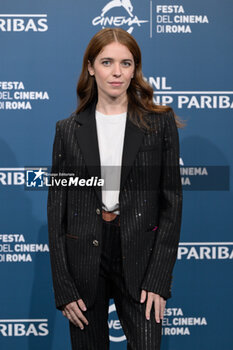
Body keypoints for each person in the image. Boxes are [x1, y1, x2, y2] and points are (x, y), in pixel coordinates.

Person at [47, 27, 184, 350]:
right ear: (91, 67)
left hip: (141, 257)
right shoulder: (67, 130)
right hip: (84, 261)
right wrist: (64, 288)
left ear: (135, 69)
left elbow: (172, 203)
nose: (117, 72)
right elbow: (57, 212)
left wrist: (159, 278)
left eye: (126, 63)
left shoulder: (158, 123)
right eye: (107, 62)